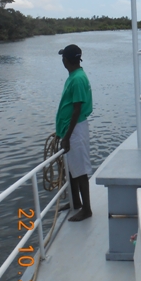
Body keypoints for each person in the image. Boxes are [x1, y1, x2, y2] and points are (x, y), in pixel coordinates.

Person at [56, 44, 93, 222]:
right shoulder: (74, 75)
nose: (62, 60)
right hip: (70, 129)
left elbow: (77, 110)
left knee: (80, 170)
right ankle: (75, 201)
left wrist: (68, 137)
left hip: (76, 130)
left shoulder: (77, 79)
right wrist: (60, 133)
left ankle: (87, 209)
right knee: (72, 168)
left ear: (67, 60)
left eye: (63, 57)